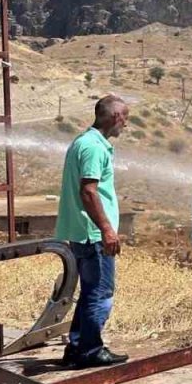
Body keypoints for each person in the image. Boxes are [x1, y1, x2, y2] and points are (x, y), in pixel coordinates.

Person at [57, 94, 131, 368]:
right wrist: (107, 230)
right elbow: (88, 191)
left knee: (90, 291)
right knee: (101, 292)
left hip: (84, 232)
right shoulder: (94, 148)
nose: (126, 125)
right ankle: (91, 350)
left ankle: (77, 347)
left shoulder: (84, 141)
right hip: (93, 234)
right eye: (126, 118)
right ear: (115, 117)